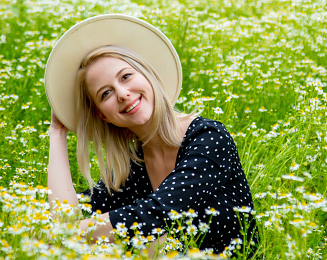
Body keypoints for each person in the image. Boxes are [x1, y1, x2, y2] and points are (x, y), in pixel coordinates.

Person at [44, 14, 257, 255]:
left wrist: (66, 236)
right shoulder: (132, 164)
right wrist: (57, 133)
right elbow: (64, 217)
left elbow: (159, 213)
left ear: (149, 75)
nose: (123, 94)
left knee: (150, 239)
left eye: (126, 76)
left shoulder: (208, 137)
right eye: (106, 94)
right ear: (103, 115)